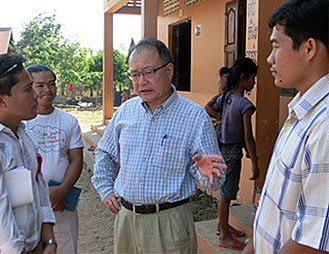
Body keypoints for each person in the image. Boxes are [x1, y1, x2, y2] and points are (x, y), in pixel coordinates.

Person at [91, 37, 227, 254]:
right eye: (135, 74)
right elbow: (105, 152)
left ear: (169, 70)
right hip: (126, 220)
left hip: (169, 224)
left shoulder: (194, 116)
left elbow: (214, 182)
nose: (141, 81)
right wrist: (105, 189)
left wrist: (207, 174)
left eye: (148, 72)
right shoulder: (126, 111)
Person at [242, 0, 329, 253]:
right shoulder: (300, 111)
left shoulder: (324, 127)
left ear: (309, 48)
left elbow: (313, 244)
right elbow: (274, 211)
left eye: (276, 46)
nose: (269, 59)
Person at [0, 54, 56, 254]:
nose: (37, 95)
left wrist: (49, 241)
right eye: (28, 89)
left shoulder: (22, 134)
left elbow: (39, 190)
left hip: (33, 246)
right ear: (1, 101)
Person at [25, 64, 84, 254]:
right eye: (39, 85)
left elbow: (76, 160)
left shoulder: (68, 121)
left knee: (66, 246)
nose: (47, 90)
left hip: (61, 202)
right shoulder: (20, 123)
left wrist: (62, 190)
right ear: (29, 88)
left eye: (51, 84)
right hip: (28, 203)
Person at [207, 57, 260, 251]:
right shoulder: (244, 104)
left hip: (221, 149)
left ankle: (223, 226)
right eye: (253, 78)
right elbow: (248, 136)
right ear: (244, 77)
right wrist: (254, 162)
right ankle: (225, 236)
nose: (253, 83)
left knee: (225, 192)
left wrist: (220, 113)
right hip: (232, 152)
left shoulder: (226, 98)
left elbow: (208, 106)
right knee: (226, 194)